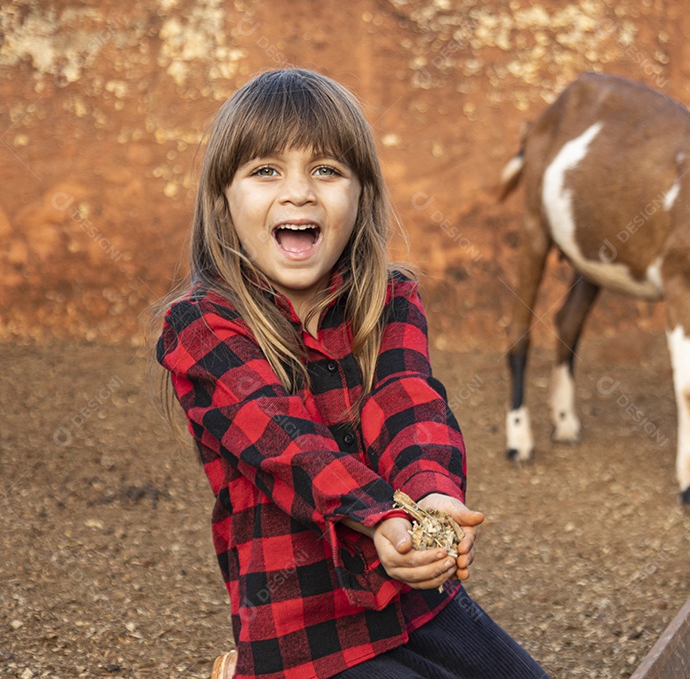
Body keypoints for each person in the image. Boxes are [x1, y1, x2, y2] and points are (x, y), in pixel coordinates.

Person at [156, 68, 549, 679]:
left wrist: (432, 496)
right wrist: (384, 516)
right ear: (222, 199)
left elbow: (408, 400)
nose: (299, 194)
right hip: (302, 635)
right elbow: (286, 443)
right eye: (266, 171)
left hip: (416, 601)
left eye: (327, 171)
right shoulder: (202, 326)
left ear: (362, 195)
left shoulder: (389, 298)